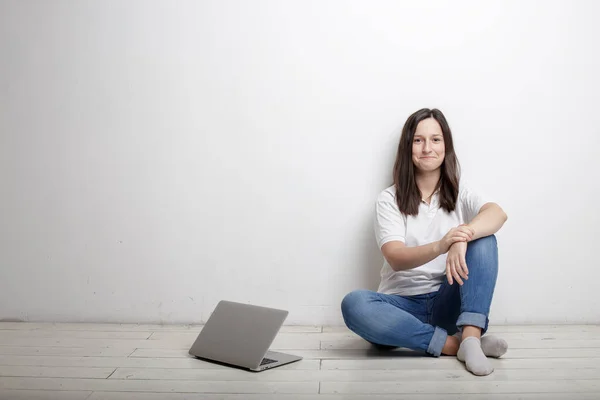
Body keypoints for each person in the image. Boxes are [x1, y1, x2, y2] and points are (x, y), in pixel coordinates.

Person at [341, 108, 508, 376]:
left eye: (435, 139)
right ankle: (462, 344)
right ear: (408, 148)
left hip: (447, 300)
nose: (427, 147)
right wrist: (443, 244)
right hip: (400, 310)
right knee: (354, 304)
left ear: (446, 146)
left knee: (484, 240)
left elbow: (498, 214)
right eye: (418, 140)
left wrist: (462, 237)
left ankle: (471, 334)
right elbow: (396, 257)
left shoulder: (460, 191)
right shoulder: (389, 199)